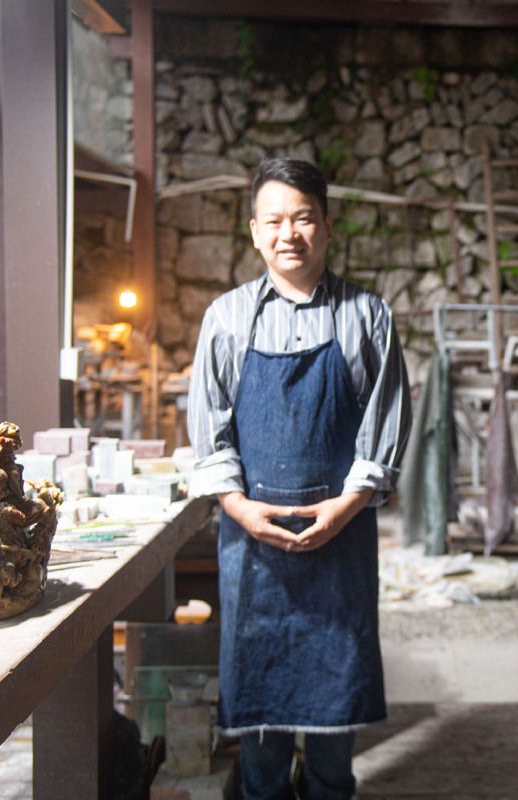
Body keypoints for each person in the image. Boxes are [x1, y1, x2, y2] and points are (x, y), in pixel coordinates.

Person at [187, 157, 411, 800]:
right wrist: (238, 506)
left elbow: (384, 422)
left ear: (328, 227)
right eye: (276, 221)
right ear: (254, 232)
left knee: (334, 718)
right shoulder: (226, 319)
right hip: (254, 543)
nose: (291, 234)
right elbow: (210, 430)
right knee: (259, 720)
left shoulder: (367, 316)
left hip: (339, 539)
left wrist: (345, 506)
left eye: (304, 218)